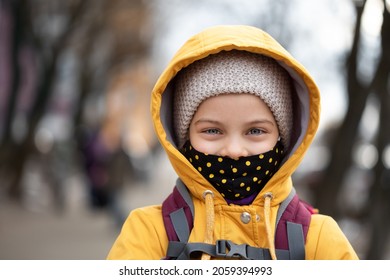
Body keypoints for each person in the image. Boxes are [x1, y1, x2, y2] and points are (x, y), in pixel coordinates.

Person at [106, 25, 359, 260]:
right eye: (213, 131)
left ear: (282, 138)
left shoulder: (318, 239)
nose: (235, 151)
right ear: (184, 139)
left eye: (256, 131)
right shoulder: (150, 232)